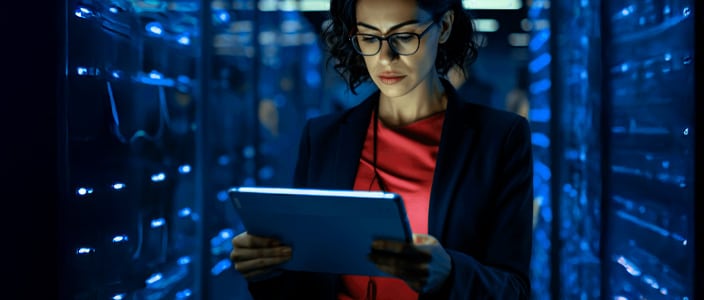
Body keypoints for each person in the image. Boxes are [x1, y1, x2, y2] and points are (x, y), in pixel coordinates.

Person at [229, 0, 534, 299]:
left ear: (444, 27)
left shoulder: (500, 139)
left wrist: (451, 274)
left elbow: (514, 289)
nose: (385, 58)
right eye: (369, 37)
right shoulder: (323, 137)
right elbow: (308, 282)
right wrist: (266, 269)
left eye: (403, 36)